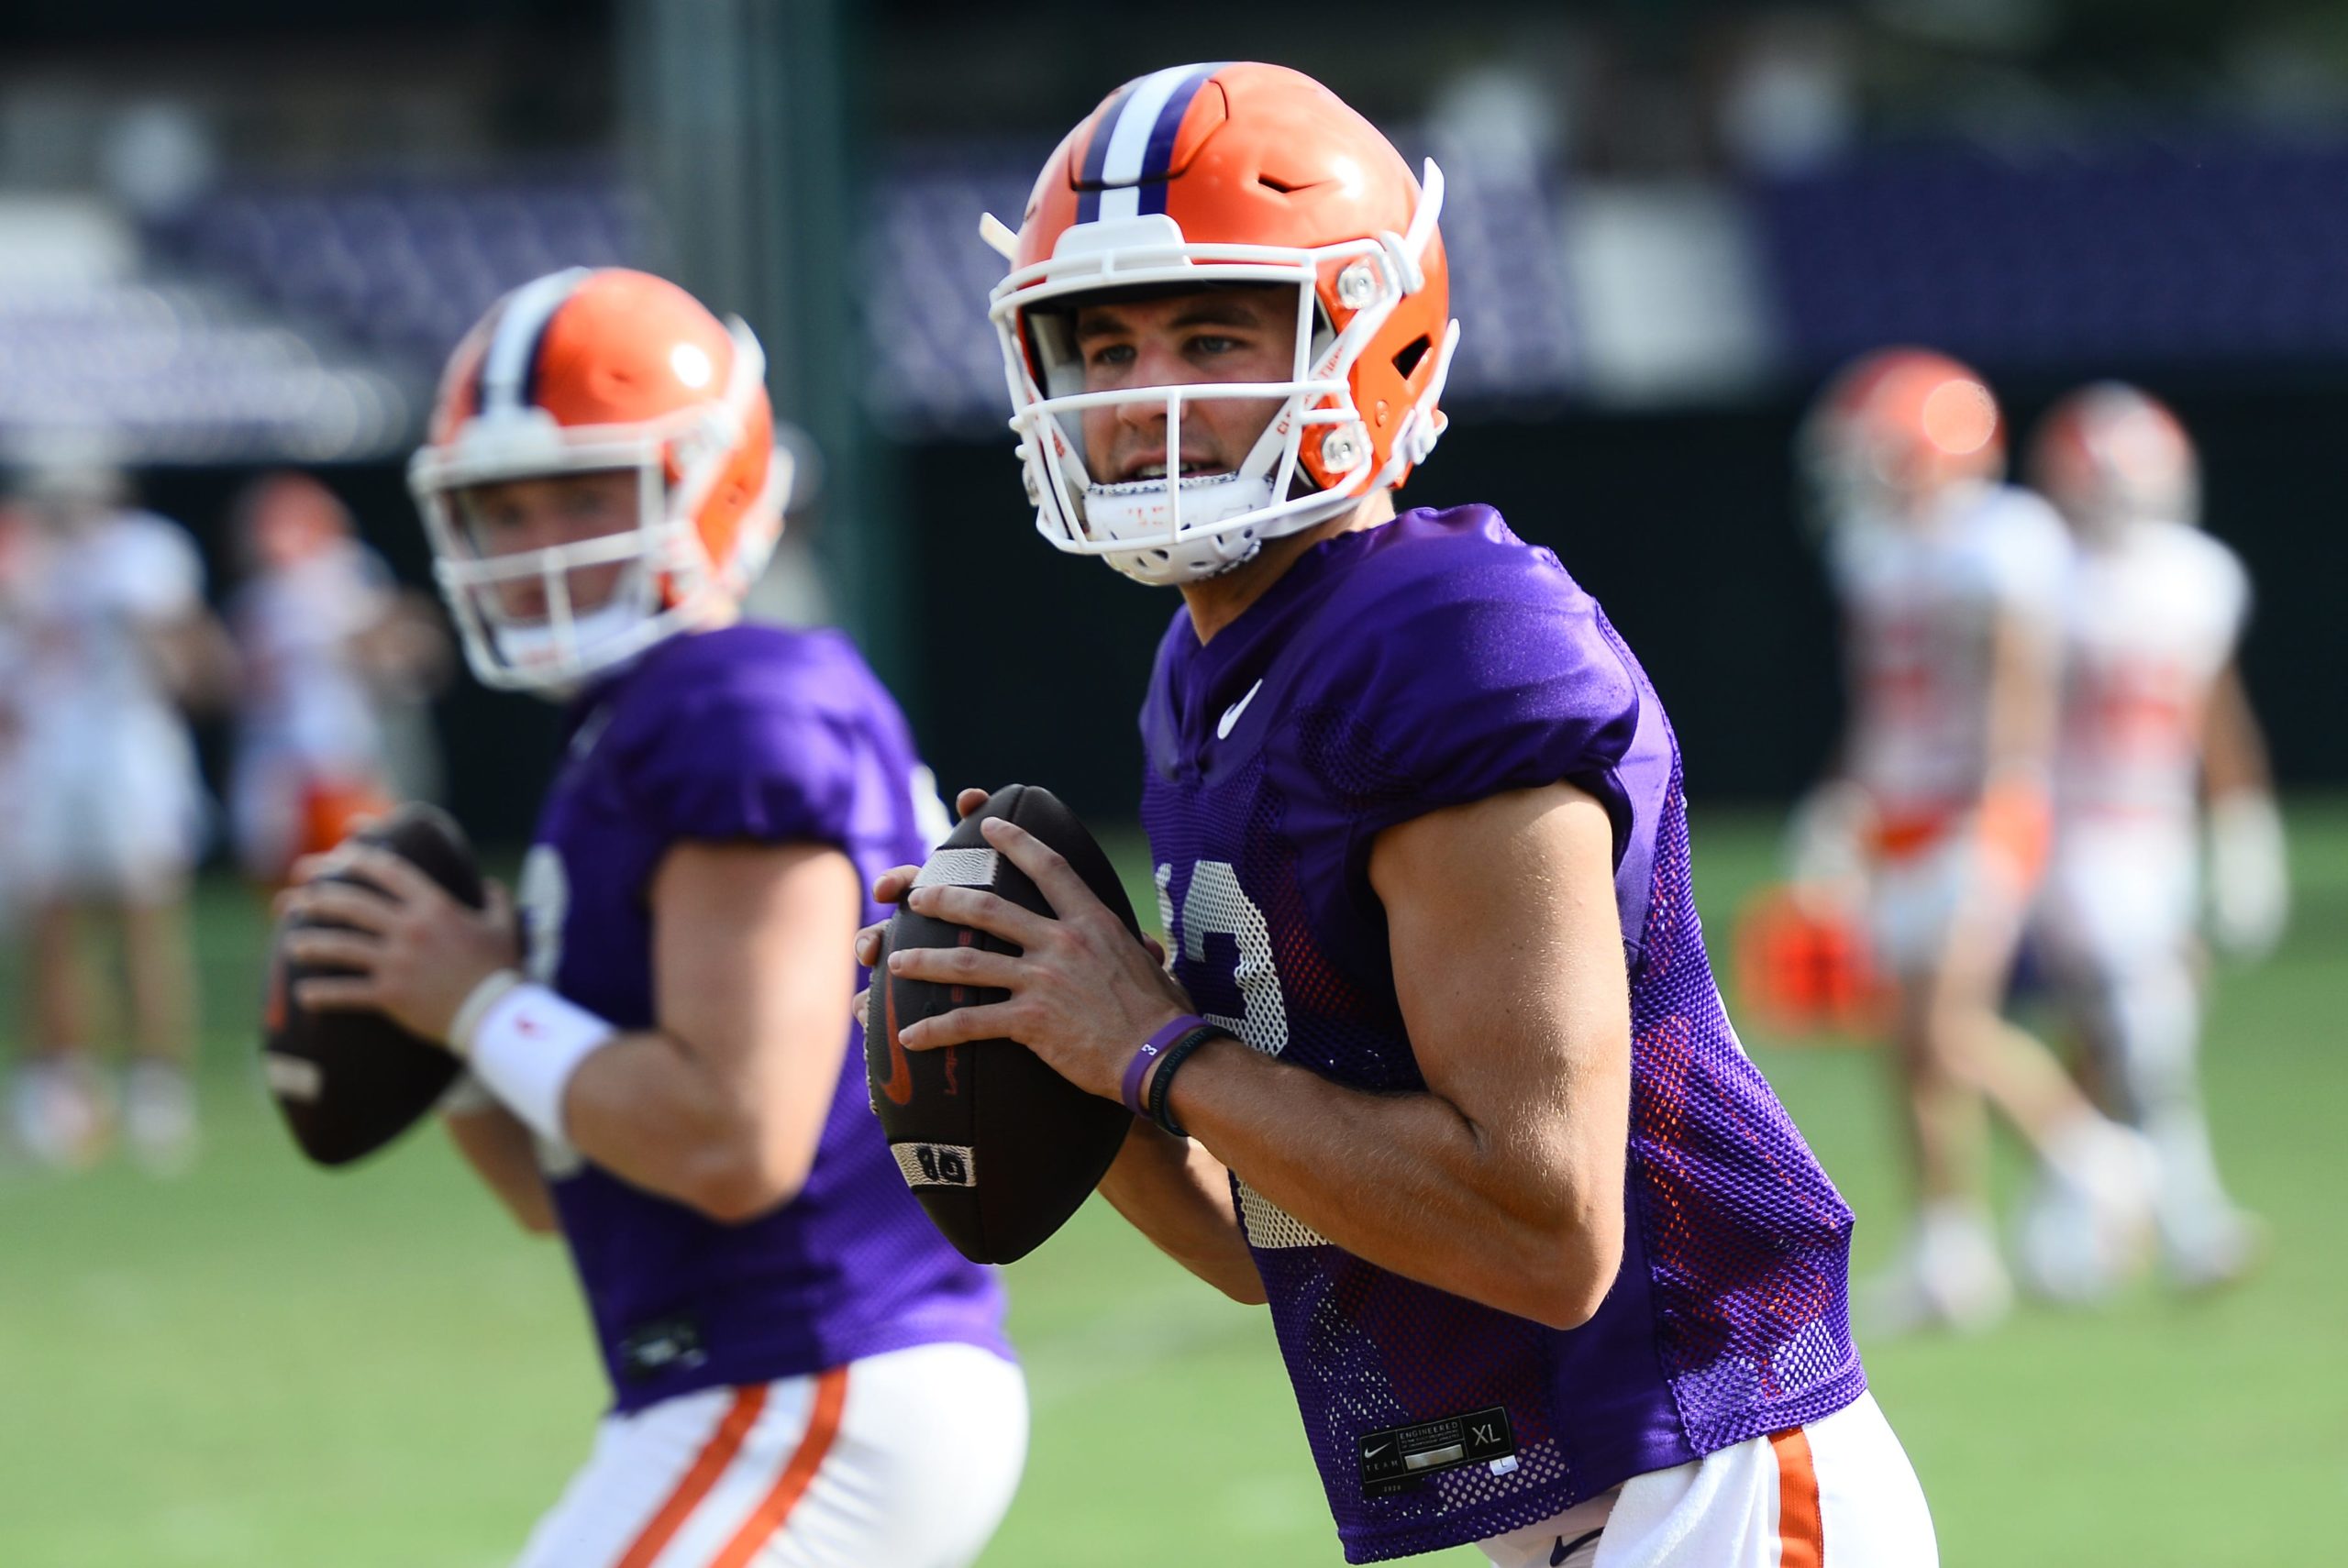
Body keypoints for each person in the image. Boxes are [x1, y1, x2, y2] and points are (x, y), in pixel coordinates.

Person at [863, 63, 1934, 1567]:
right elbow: (1275, 1232)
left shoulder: (1446, 640)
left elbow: (1542, 1230)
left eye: (1214, 332)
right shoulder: (1210, 668)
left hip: (1716, 1480)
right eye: (1102, 344)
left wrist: (1150, 1046)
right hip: (1585, 1513)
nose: (1142, 394)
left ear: (1376, 335)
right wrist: (1071, 1061)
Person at [279, 267, 1024, 1567]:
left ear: (712, 480)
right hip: (751, 1381)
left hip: (815, 1368)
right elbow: (565, 1177)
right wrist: (442, 1037)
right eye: (503, 507)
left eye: (585, 490)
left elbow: (734, 1141)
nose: (539, 540)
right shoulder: (634, 727)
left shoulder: (730, 704)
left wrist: (477, 1001)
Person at [1795, 349, 2155, 1333]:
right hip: (1903, 808)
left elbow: (2019, 682)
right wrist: (1845, 801)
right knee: (1905, 1045)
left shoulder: (2002, 539)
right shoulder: (1875, 552)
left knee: (1944, 1026)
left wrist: (2001, 799)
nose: (1862, 471)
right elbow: (1882, 701)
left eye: (1878, 450)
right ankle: (1949, 1250)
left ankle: (2093, 1156)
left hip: (1975, 808)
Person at [2019, 382, 2283, 1297]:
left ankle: (2062, 1218)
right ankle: (2190, 1223)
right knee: (2144, 1023)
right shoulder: (2043, 577)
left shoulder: (2196, 576)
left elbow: (2212, 712)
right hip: (2072, 829)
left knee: (2110, 1035)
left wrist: (2243, 827)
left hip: (2157, 832)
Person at [7, 458, 235, 1174]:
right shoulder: (24, 555)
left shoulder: (146, 552)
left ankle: (156, 1086)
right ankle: (61, 1086)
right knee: (49, 922)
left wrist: (167, 653)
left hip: (130, 749)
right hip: (50, 752)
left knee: (145, 917)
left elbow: (193, 660)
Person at [225, 470, 449, 886]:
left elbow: (403, 655)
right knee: (280, 879)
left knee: (358, 876)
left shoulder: (348, 573)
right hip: (275, 758)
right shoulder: (255, 601)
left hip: (343, 752)